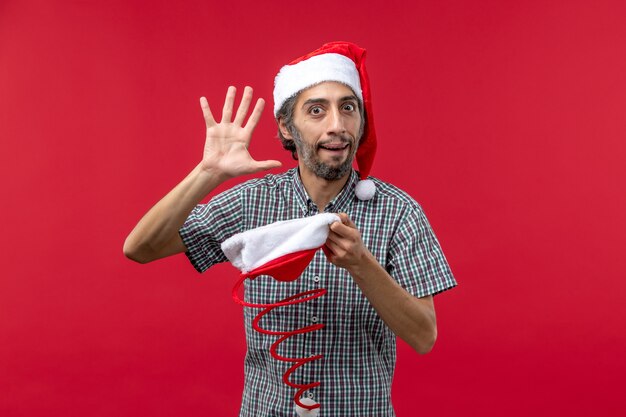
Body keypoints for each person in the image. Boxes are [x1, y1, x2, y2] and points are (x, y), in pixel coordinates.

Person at [124, 41, 456, 417]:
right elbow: (140, 247)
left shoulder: (398, 212)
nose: (337, 125)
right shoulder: (253, 202)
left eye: (348, 108)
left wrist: (362, 264)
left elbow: (424, 336)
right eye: (317, 110)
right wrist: (208, 172)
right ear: (286, 125)